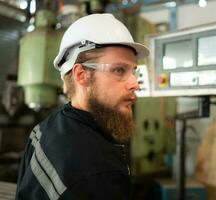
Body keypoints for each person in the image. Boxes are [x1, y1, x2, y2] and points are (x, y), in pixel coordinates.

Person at [15, 13, 149, 200]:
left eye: (133, 71)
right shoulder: (98, 173)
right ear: (81, 75)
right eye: (119, 70)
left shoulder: (44, 129)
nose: (135, 83)